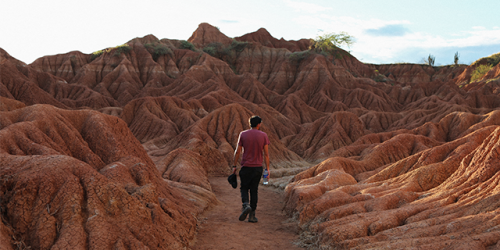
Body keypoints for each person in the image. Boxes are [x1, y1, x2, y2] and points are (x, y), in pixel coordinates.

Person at [232, 115, 270, 223]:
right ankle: (252, 215)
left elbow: (237, 151)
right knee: (254, 190)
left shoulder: (243, 134)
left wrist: (234, 166)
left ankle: (246, 205)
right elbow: (266, 154)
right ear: (259, 124)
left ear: (250, 124)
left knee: (244, 188)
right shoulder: (264, 135)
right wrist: (267, 169)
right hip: (257, 168)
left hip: (246, 167)